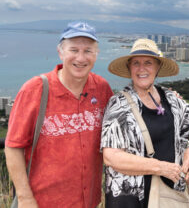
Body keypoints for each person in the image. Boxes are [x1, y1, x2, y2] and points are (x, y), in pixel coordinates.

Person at [5, 21, 114, 208]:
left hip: (88, 202)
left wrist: (167, 99)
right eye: (73, 50)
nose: (80, 58)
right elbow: (13, 147)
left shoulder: (102, 89)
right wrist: (24, 197)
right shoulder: (35, 90)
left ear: (96, 55)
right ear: (60, 52)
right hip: (42, 202)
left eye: (88, 51)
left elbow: (122, 122)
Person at [101, 38, 189, 207]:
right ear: (129, 68)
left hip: (166, 196)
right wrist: (160, 167)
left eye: (148, 63)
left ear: (157, 68)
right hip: (129, 199)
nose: (141, 68)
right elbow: (111, 157)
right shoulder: (119, 104)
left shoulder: (171, 99)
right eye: (136, 63)